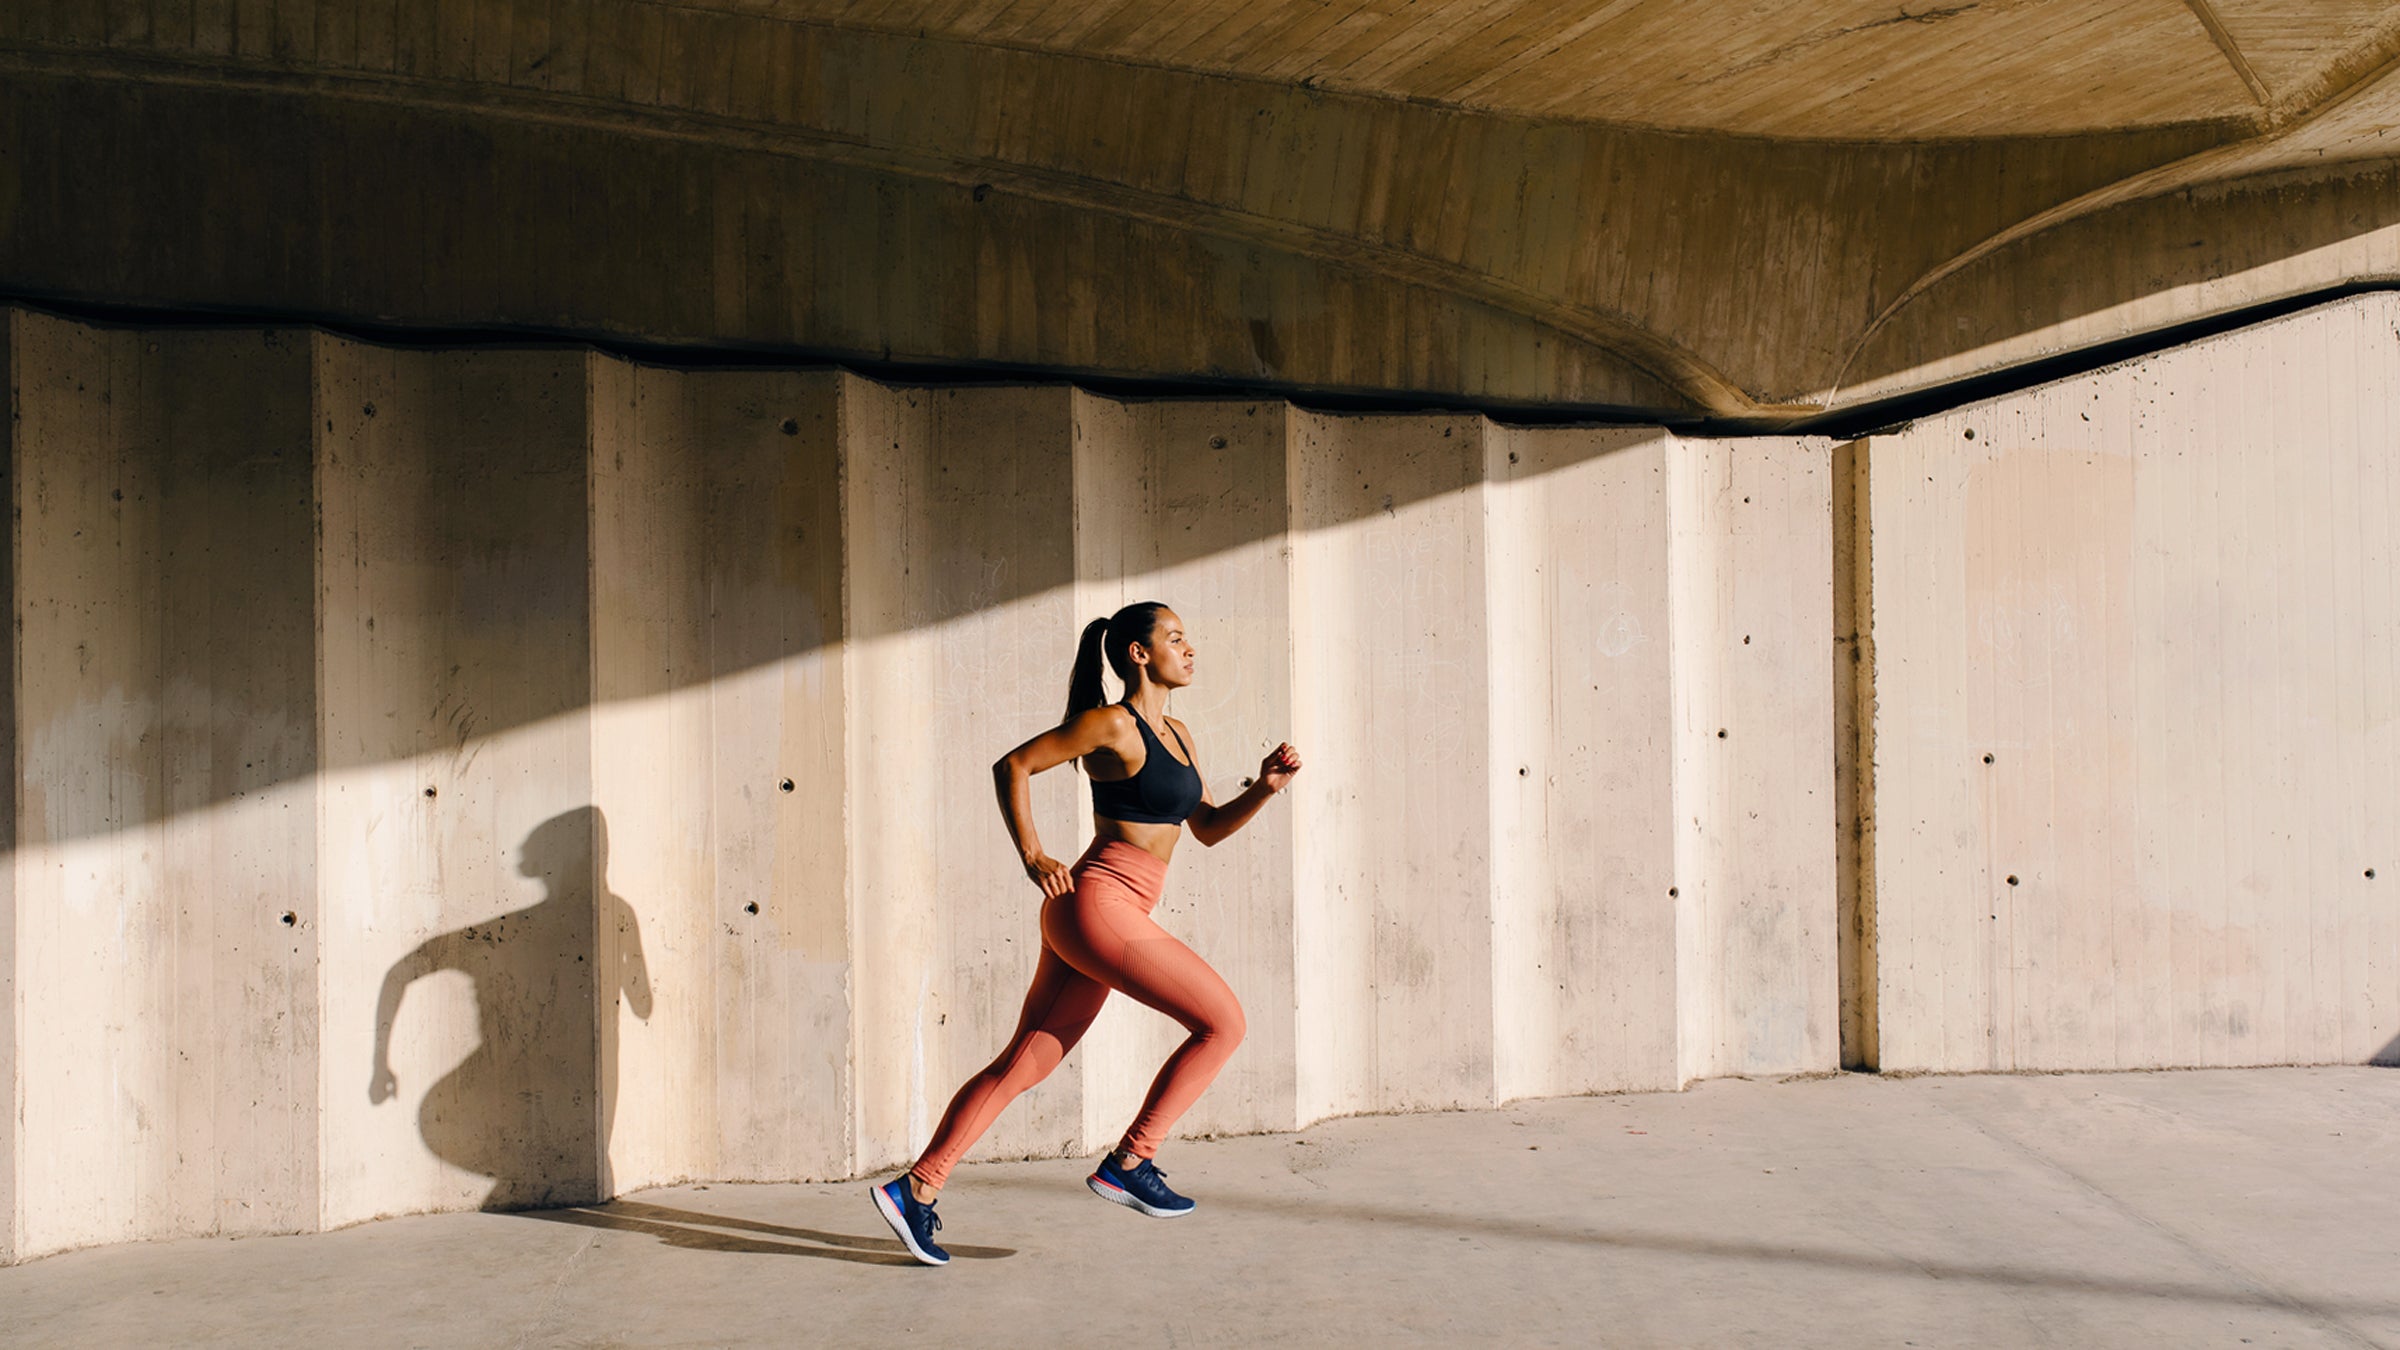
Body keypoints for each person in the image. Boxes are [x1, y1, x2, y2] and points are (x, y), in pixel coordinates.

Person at [870, 601, 1301, 1267]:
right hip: (1097, 903)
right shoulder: (1110, 724)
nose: (1190, 649)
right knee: (1225, 1021)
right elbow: (1013, 766)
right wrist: (1033, 854)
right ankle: (1133, 1159)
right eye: (1175, 638)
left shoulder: (1180, 734)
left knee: (1026, 1062)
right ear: (1137, 652)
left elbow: (1207, 827)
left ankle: (915, 1190)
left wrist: (1266, 788)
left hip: (1106, 913)